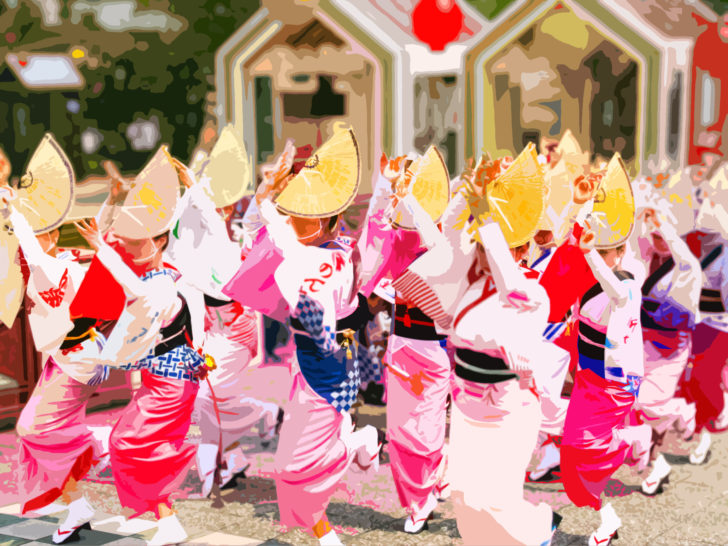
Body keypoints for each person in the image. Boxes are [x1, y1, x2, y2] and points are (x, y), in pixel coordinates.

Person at [393, 147, 563, 546]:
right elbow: (446, 235)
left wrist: (487, 218)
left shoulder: (532, 293)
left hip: (510, 406)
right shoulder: (470, 281)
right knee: (465, 501)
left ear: (519, 250)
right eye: (485, 246)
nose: (485, 252)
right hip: (468, 402)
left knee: (497, 502)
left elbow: (508, 280)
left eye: (495, 247)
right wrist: (467, 192)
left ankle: (540, 528)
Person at [225, 128, 380, 546]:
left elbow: (281, 242)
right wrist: (267, 195)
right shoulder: (336, 247)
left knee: (295, 465)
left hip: (326, 363)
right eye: (296, 215)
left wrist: (265, 196)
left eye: (305, 217)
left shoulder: (317, 260)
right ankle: (323, 530)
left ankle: (358, 441)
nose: (295, 222)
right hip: (319, 358)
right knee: (292, 460)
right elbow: (275, 231)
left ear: (327, 220)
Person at [165, 148, 282, 498]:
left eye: (217, 207)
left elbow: (225, 223)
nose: (209, 215)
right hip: (217, 331)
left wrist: (194, 184)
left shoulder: (230, 245)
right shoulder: (209, 245)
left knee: (205, 399)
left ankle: (263, 413)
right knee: (212, 399)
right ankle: (233, 459)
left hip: (237, 332)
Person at [628, 183, 701, 494]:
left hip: (672, 348)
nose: (658, 241)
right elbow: (633, 240)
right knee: (634, 405)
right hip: (642, 342)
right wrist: (644, 215)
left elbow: (682, 256)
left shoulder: (687, 269)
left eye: (664, 237)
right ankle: (653, 465)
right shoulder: (646, 259)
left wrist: (665, 227)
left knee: (650, 403)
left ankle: (684, 412)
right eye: (654, 236)